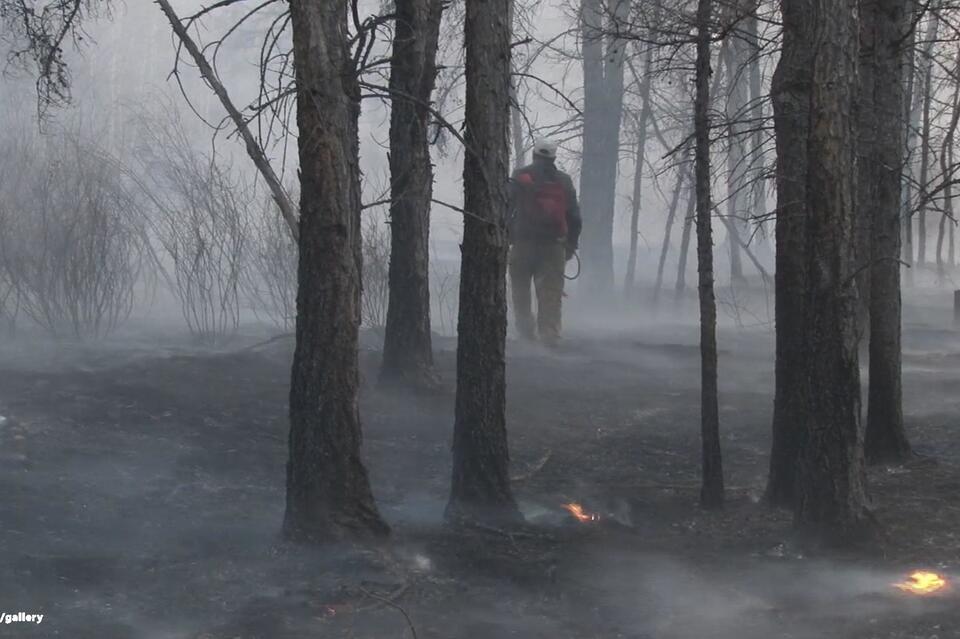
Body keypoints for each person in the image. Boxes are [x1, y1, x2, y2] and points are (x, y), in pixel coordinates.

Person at [507, 138, 582, 346]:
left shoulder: (520, 176)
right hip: (553, 246)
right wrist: (570, 245)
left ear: (534, 155)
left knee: (520, 290)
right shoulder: (564, 181)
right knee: (550, 293)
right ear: (554, 157)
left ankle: (525, 334)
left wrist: (507, 236)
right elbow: (575, 217)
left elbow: (507, 206)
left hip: (522, 244)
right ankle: (549, 336)